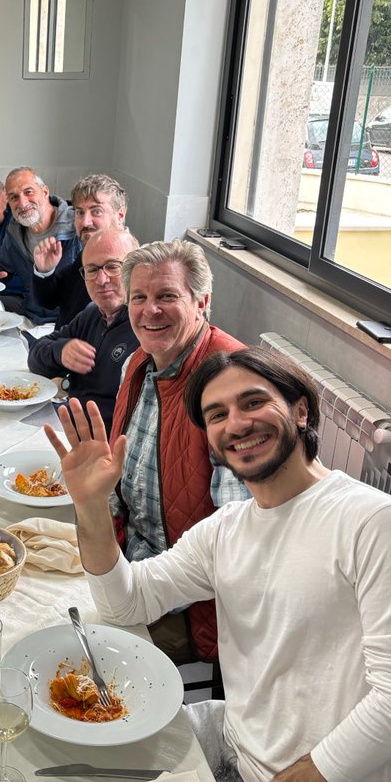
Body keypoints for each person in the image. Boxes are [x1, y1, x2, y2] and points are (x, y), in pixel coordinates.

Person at [44, 349, 391, 782]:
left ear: (301, 410)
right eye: (217, 414)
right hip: (237, 752)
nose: (236, 424)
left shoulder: (373, 522)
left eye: (253, 402)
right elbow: (126, 604)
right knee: (52, 773)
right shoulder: (227, 530)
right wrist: (91, 506)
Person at [105, 239, 246, 665]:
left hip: (192, 607)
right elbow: (117, 480)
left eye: (167, 296)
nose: (150, 310)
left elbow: (234, 544)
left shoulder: (230, 382)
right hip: (132, 562)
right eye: (139, 298)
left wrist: (132, 588)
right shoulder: (140, 362)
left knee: (75, 652)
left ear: (202, 301)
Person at [27, 229, 140, 432]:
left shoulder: (145, 328)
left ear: (136, 269)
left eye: (113, 267)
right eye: (92, 270)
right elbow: (35, 357)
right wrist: (60, 352)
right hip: (70, 424)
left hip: (102, 444)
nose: (101, 279)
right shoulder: (92, 314)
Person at [0, 167, 77, 323]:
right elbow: (1, 265)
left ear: (45, 192)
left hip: (66, 323)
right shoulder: (15, 230)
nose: (22, 203)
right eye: (14, 197)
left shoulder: (77, 226)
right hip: (30, 314)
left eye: (28, 192)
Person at [33, 173, 130, 328]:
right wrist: (45, 271)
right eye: (80, 212)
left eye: (96, 211)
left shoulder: (134, 266)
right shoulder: (87, 253)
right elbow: (48, 302)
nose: (85, 222)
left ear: (120, 215)